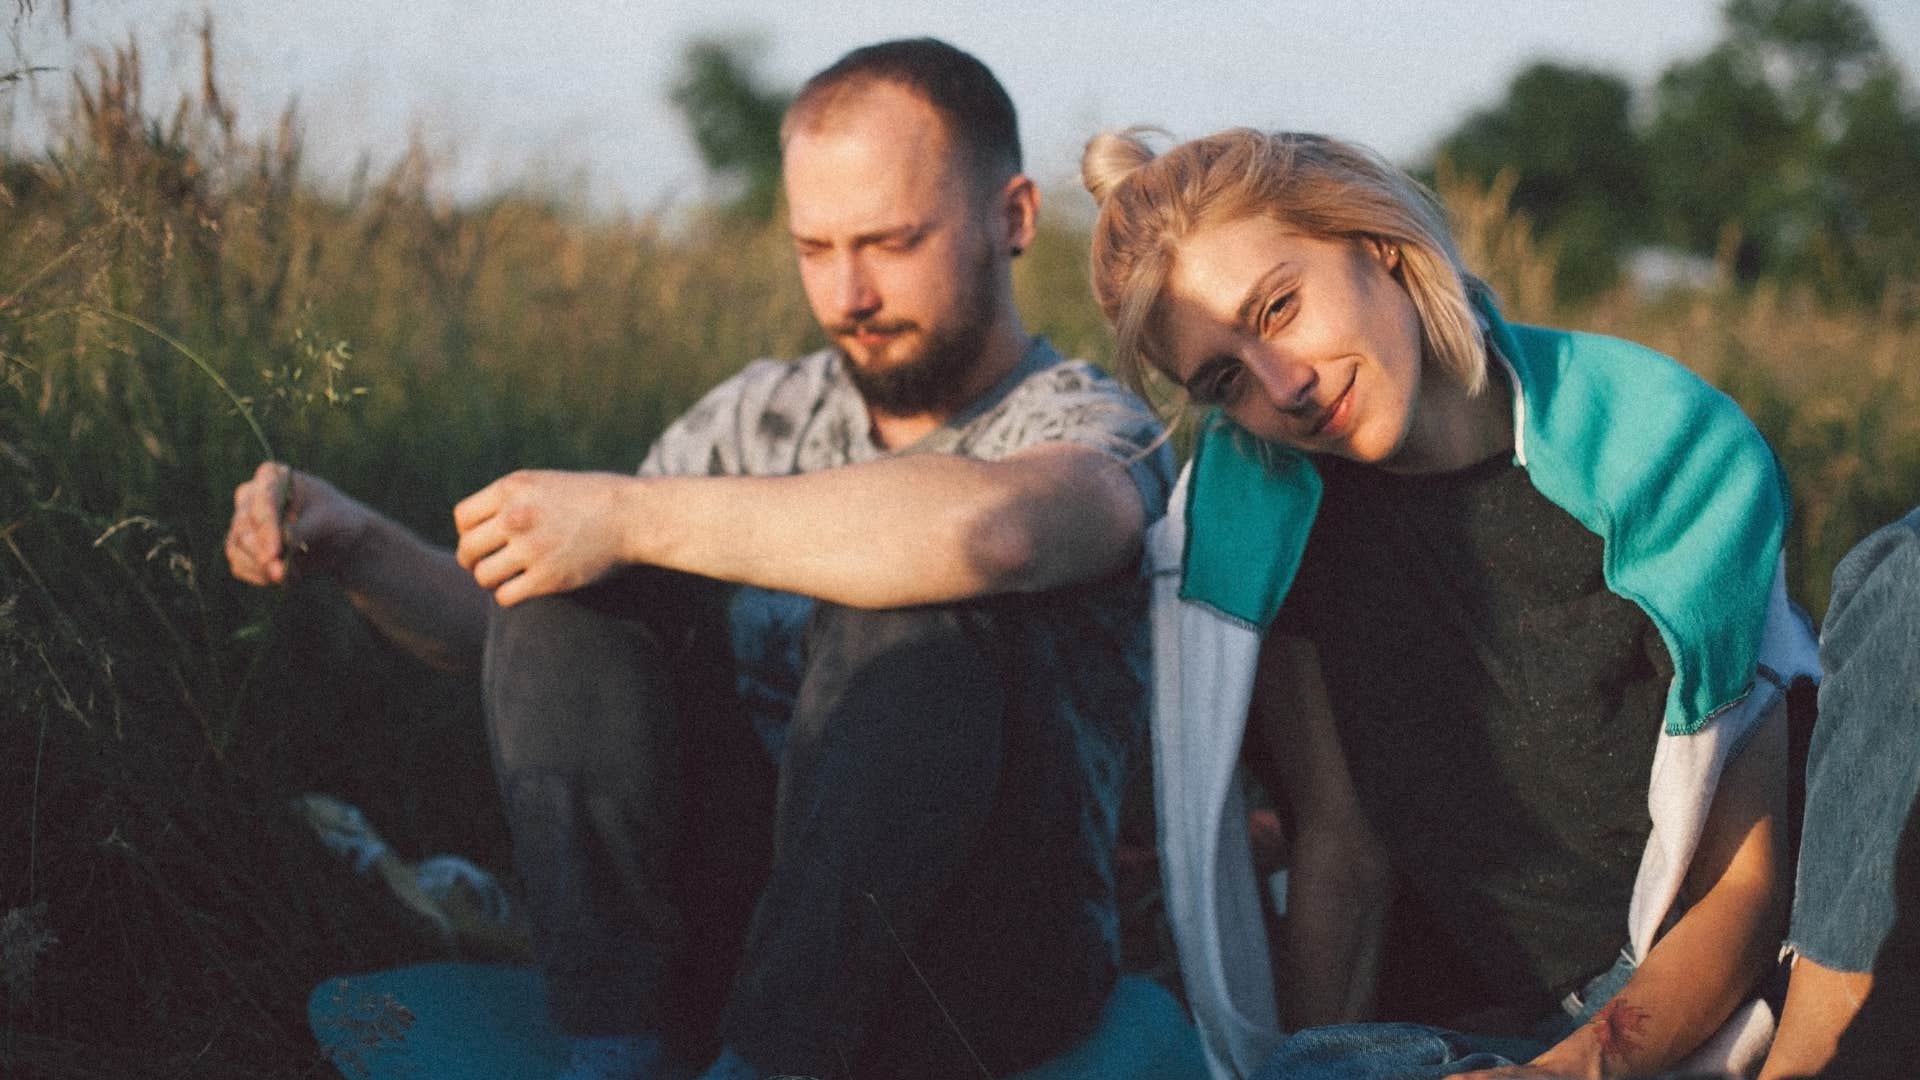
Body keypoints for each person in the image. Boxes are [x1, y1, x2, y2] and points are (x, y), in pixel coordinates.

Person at [226, 39, 1174, 1080]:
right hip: (747, 938)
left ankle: (775, 1060)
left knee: (903, 613)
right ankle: (614, 1045)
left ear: (1015, 216)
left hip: (976, 958)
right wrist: (359, 545)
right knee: (573, 598)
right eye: (815, 248)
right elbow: (536, 659)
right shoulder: (761, 411)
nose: (848, 292)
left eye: (892, 241)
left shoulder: (1090, 421)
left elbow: (994, 535)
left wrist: (631, 516)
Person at [1080, 127, 1831, 1079]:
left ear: (1379, 247)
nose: (1284, 386)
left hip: (1692, 1013)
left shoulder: (1653, 449)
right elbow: (1343, 849)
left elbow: (1746, 885)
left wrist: (1564, 1073)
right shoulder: (1273, 516)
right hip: (1452, 1029)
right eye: (1225, 380)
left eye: (1278, 307)